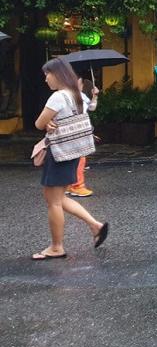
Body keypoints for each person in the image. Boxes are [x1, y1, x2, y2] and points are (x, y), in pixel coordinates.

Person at [32, 57, 108, 260]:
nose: (46, 79)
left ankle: (57, 247)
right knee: (57, 199)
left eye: (47, 74)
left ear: (57, 74)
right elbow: (70, 118)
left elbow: (39, 123)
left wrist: (47, 123)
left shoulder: (57, 97)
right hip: (73, 151)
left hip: (58, 153)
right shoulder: (79, 96)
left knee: (54, 203)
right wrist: (51, 123)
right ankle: (95, 225)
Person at [66, 77, 99, 197]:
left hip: (81, 129)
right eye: (78, 82)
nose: (80, 84)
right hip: (75, 130)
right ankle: (77, 185)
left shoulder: (81, 96)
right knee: (80, 158)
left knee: (75, 158)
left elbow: (91, 108)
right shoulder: (69, 96)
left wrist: (94, 96)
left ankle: (70, 184)